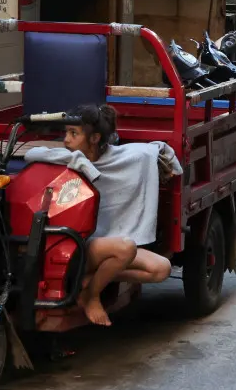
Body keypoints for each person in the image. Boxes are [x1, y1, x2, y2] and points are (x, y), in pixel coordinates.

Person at [59, 105, 174, 326]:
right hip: (77, 246)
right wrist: (80, 162)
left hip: (105, 245)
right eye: (66, 132)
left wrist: (160, 150)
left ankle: (89, 285)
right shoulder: (67, 157)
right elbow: (35, 152)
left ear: (94, 138)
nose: (66, 139)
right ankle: (92, 297)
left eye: (73, 133)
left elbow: (154, 152)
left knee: (161, 269)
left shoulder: (118, 157)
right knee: (126, 248)